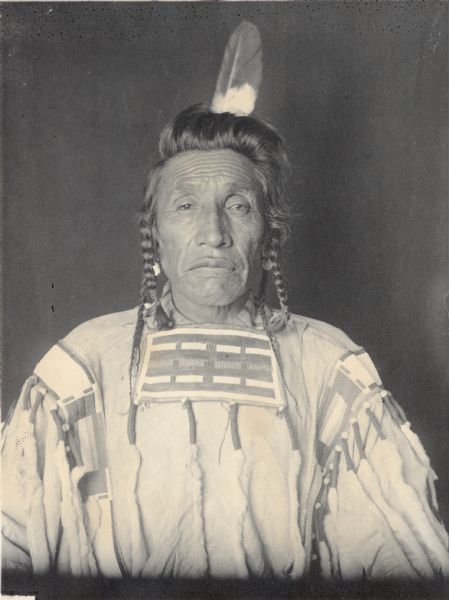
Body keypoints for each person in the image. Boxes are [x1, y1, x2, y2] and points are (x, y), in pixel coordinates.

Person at [2, 105, 449, 580]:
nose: (214, 234)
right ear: (154, 235)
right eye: (186, 206)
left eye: (237, 207)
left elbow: (400, 569)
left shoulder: (328, 365)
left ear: (268, 235)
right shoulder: (82, 367)